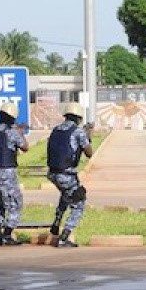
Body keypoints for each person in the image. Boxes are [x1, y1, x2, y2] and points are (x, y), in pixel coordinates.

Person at [47, 103, 93, 248]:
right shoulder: (78, 132)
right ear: (79, 118)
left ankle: (56, 222)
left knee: (67, 194)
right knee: (79, 201)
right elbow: (89, 153)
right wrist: (87, 136)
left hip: (53, 173)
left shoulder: (56, 129)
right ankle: (64, 236)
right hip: (66, 174)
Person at [0, 102, 29, 246]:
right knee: (16, 204)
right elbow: (25, 147)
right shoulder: (12, 131)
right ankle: (7, 234)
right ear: (13, 117)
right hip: (5, 173)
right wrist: (20, 131)